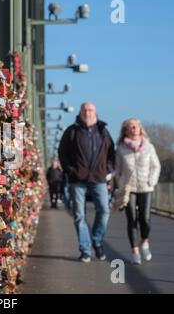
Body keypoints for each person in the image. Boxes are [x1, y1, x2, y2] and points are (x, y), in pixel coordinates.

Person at [58, 102, 116, 263]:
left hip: (99, 178)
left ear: (96, 112)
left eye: (90, 110)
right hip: (78, 179)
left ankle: (97, 241)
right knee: (79, 215)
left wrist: (108, 169)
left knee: (104, 210)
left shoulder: (103, 131)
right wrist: (70, 170)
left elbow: (112, 151)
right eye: (84, 110)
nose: (87, 112)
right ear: (80, 112)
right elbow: (62, 152)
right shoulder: (72, 131)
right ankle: (85, 249)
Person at [115, 119, 161, 265]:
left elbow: (156, 166)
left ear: (140, 129)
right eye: (130, 127)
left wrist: (151, 181)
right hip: (129, 188)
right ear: (126, 131)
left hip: (145, 187)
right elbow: (118, 170)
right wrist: (121, 184)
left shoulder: (149, 147)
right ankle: (135, 251)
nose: (134, 129)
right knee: (131, 219)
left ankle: (145, 241)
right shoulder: (121, 148)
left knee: (145, 219)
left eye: (136, 126)